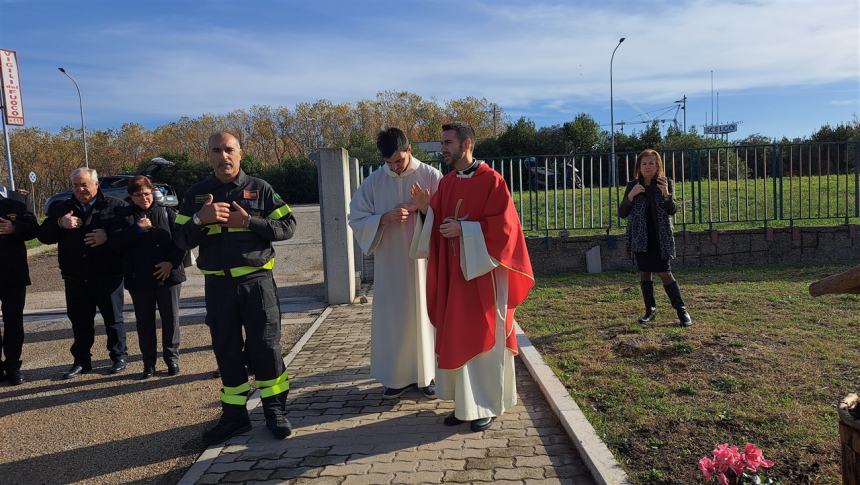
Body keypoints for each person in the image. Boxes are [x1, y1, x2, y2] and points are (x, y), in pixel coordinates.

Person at [410, 122, 534, 432]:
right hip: (455, 277)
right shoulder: (448, 183)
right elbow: (437, 224)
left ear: (466, 144)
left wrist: (465, 230)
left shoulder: (492, 181)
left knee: (482, 338)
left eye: (448, 142)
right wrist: (426, 211)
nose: (444, 148)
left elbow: (506, 230)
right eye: (443, 142)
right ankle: (463, 405)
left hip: (482, 278)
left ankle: (486, 405)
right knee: (456, 337)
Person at [174, 132, 296, 444]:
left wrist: (249, 223)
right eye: (216, 150)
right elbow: (178, 240)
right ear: (209, 156)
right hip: (218, 286)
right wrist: (200, 220)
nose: (223, 156)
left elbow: (288, 227)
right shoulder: (197, 195)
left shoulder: (260, 188)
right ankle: (235, 417)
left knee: (266, 347)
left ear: (240, 154)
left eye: (229, 149)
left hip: (257, 284)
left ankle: (275, 412)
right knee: (226, 350)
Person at [348, 127, 441, 399]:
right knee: (393, 318)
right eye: (389, 163)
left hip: (423, 261)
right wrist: (383, 219)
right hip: (389, 262)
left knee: (425, 314)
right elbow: (356, 217)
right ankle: (396, 377)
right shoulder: (374, 182)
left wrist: (423, 208)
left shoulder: (430, 176)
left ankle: (429, 375)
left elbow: (445, 211)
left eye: (399, 160)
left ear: (409, 149)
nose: (395, 167)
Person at [38, 168, 129, 378]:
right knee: (80, 321)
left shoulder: (115, 206)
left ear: (96, 184)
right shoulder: (62, 208)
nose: (80, 189)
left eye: (84, 184)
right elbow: (43, 235)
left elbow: (127, 235)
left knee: (113, 319)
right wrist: (60, 223)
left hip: (108, 274)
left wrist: (108, 236)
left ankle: (119, 357)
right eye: (76, 185)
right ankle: (81, 361)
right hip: (75, 276)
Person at [113, 176, 186, 379]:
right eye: (138, 195)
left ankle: (172, 358)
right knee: (144, 323)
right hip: (140, 279)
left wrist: (170, 263)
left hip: (168, 276)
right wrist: (137, 229)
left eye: (147, 193)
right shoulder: (123, 216)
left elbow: (181, 242)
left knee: (171, 319)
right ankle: (148, 364)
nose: (144, 198)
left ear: (152, 192)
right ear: (131, 196)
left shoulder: (167, 212)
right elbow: (116, 243)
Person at [618, 148, 692, 327]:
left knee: (665, 273)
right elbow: (622, 213)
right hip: (640, 237)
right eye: (644, 163)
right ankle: (650, 310)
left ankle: (682, 311)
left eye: (652, 163)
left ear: (658, 165)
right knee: (644, 272)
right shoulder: (633, 185)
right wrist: (631, 195)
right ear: (639, 166)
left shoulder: (665, 183)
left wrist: (666, 193)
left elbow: (672, 210)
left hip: (661, 237)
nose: (648, 167)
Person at [0, 185, 38, 385]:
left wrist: (15, 228)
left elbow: (34, 228)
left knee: (13, 321)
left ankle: (13, 366)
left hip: (12, 272)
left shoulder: (19, 199)